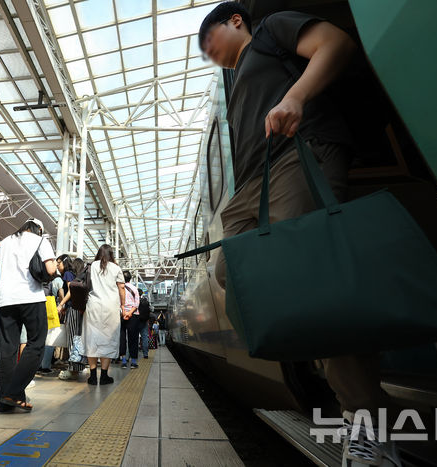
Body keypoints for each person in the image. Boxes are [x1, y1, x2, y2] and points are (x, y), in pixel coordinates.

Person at [199, 4, 394, 466]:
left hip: (298, 155)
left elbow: (335, 43)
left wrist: (296, 97)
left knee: (316, 285)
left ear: (235, 21)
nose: (209, 55)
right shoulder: (239, 74)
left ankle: (368, 427)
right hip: (253, 187)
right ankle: (322, 354)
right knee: (231, 271)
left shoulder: (271, 31)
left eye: (210, 43)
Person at [0, 219, 56, 412]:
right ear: (38, 229)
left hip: (6, 300)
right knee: (36, 344)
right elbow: (51, 269)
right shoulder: (40, 241)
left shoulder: (5, 242)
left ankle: (5, 400)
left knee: (8, 348)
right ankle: (12, 392)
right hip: (31, 297)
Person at [83, 244, 126, 385]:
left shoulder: (91, 266)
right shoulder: (116, 268)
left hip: (93, 306)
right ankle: (105, 376)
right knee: (108, 338)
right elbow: (122, 288)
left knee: (92, 339)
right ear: (111, 254)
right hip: (111, 307)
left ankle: (93, 376)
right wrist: (123, 306)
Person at [56, 255, 86, 381]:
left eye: (58, 263)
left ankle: (73, 369)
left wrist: (61, 304)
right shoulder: (79, 276)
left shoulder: (68, 274)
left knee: (72, 338)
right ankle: (77, 368)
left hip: (72, 309)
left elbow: (70, 291)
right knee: (78, 338)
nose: (57, 266)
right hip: (80, 309)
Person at [119, 271, 140, 368]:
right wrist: (130, 313)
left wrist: (124, 311)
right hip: (133, 316)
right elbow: (136, 304)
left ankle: (123, 361)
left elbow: (118, 303)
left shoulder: (119, 289)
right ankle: (134, 362)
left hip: (122, 315)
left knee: (122, 338)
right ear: (130, 278)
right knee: (133, 338)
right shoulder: (135, 289)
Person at [137, 288, 152, 358]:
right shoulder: (145, 301)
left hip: (136, 321)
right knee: (145, 338)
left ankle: (130, 356)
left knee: (133, 338)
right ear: (141, 294)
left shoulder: (134, 300)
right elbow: (150, 311)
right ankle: (145, 354)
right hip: (144, 322)